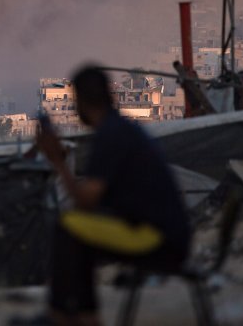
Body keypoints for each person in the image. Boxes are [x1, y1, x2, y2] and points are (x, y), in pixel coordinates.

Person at [33, 65, 191, 326]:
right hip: (164, 235)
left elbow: (85, 202)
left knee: (69, 227)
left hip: (157, 240)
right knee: (78, 230)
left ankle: (62, 315)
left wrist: (57, 161)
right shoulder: (120, 128)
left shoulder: (111, 135)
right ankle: (83, 316)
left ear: (81, 101)